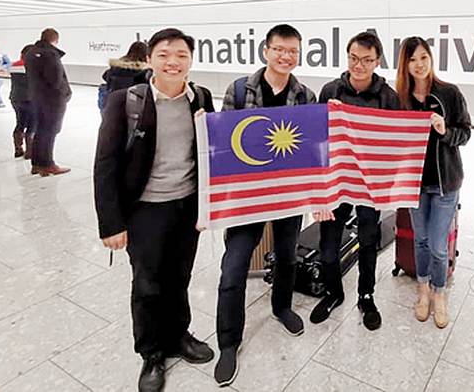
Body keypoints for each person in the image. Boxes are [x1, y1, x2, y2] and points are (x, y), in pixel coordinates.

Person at [94, 28, 215, 392]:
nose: (173, 62)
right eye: (164, 55)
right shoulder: (125, 101)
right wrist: (110, 223)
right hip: (145, 209)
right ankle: (150, 353)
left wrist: (211, 205)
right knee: (147, 284)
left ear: (191, 60)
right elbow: (105, 164)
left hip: (187, 205)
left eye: (181, 54)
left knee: (179, 277)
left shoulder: (202, 98)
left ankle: (178, 335)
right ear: (149, 60)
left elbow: (212, 154)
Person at [214, 24, 317, 387]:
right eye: (279, 49)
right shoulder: (239, 90)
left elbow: (312, 149)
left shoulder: (306, 96)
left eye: (293, 51)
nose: (286, 56)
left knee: (288, 257)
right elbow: (223, 146)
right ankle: (228, 342)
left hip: (288, 194)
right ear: (266, 51)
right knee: (234, 267)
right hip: (247, 197)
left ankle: (281, 307)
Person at [311, 31, 400, 331]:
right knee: (328, 242)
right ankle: (333, 292)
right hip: (336, 182)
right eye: (353, 58)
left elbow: (396, 142)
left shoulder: (389, 97)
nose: (358, 65)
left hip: (369, 184)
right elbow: (317, 138)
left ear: (377, 61)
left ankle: (366, 295)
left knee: (368, 240)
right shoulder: (330, 90)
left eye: (366, 60)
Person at [395, 37, 471, 328]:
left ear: (431, 59)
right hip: (413, 185)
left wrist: (444, 131)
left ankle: (440, 294)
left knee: (439, 247)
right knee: (422, 241)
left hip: (445, 184)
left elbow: (465, 133)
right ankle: (423, 290)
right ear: (405, 64)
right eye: (412, 59)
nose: (419, 64)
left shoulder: (449, 94)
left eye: (423, 57)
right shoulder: (399, 98)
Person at [25, 29, 72, 176]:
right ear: (55, 40)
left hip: (36, 97)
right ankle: (48, 164)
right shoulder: (51, 55)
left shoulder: (30, 53)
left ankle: (37, 163)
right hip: (53, 99)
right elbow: (56, 80)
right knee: (51, 130)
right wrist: (66, 93)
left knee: (41, 129)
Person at [99, 41, 150, 110]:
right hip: (130, 104)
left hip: (112, 103)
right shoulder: (142, 72)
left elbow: (104, 76)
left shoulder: (117, 67)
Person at [9, 44, 36, 159]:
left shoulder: (14, 65)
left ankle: (18, 149)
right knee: (32, 125)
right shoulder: (33, 66)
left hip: (15, 98)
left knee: (20, 123)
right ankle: (30, 152)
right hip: (30, 100)